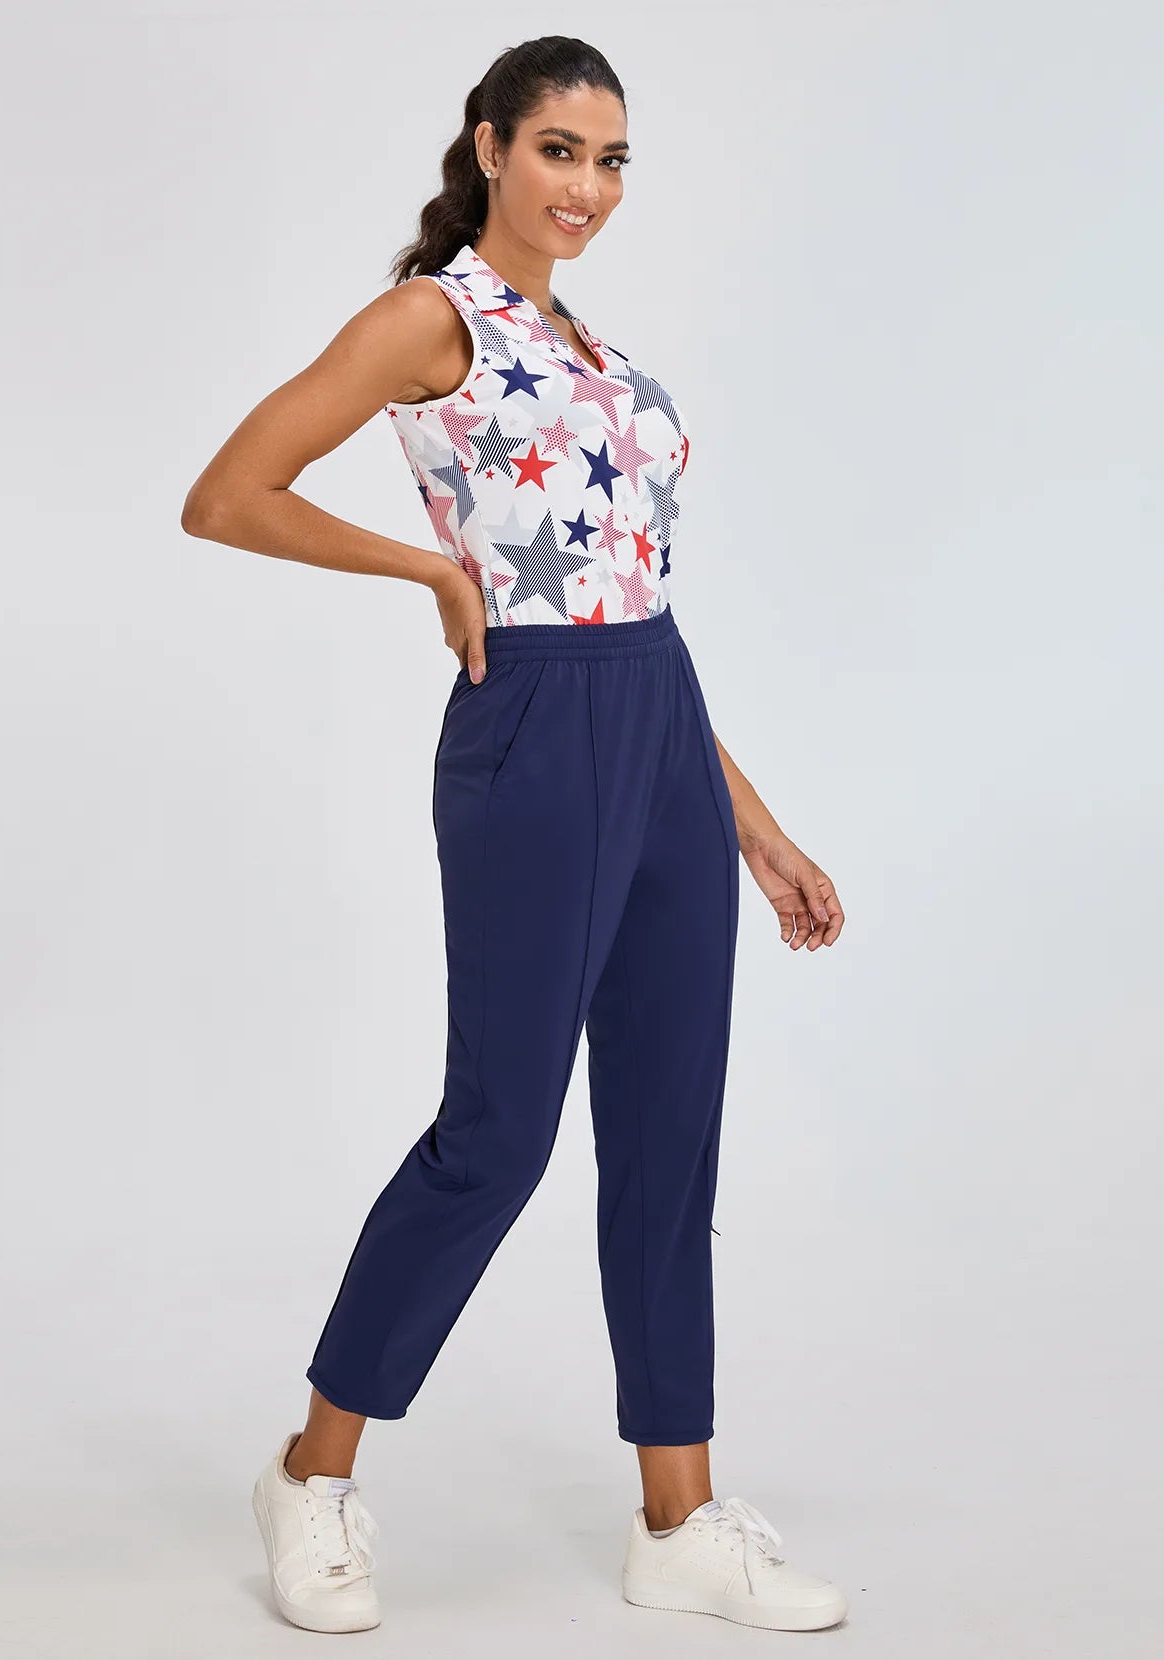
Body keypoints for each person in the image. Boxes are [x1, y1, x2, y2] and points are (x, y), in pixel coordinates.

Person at [183, 33, 847, 1638]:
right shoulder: (435, 318)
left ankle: (678, 1520)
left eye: (612, 161)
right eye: (560, 150)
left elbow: (638, 610)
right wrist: (429, 571)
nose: (588, 187)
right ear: (489, 145)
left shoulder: (596, 347)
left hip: (660, 727)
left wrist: (749, 825)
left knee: (670, 1137)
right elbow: (230, 492)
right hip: (531, 734)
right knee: (499, 1134)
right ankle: (312, 1471)